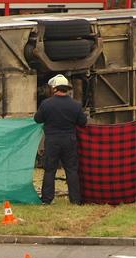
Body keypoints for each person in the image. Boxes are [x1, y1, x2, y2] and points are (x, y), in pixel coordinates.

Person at [34, 74, 87, 205]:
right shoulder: (76, 105)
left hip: (52, 141)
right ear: (67, 88)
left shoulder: (46, 104)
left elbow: (37, 119)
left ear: (54, 88)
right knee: (71, 170)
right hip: (70, 140)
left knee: (50, 170)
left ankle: (47, 199)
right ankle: (75, 200)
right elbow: (83, 122)